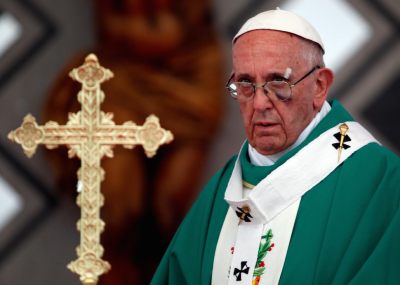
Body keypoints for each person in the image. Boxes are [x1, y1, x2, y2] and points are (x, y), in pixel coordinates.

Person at [150, 8, 400, 285]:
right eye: (245, 84)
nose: (259, 104)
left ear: (319, 86)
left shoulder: (380, 179)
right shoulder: (222, 189)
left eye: (278, 83)